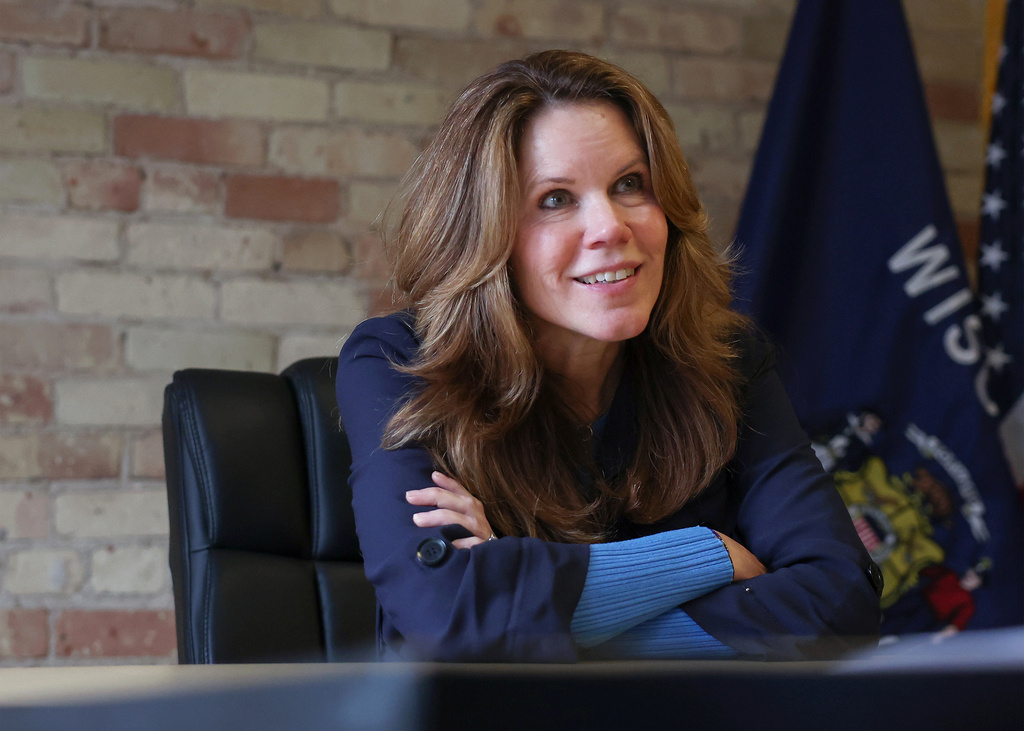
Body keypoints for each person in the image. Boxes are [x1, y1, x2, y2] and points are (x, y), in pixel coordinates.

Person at [336, 50, 882, 662]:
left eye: (630, 185)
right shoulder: (398, 362)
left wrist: (535, 615)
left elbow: (842, 601)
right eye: (554, 199)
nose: (609, 226)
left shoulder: (727, 361)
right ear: (486, 231)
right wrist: (709, 554)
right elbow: (451, 616)